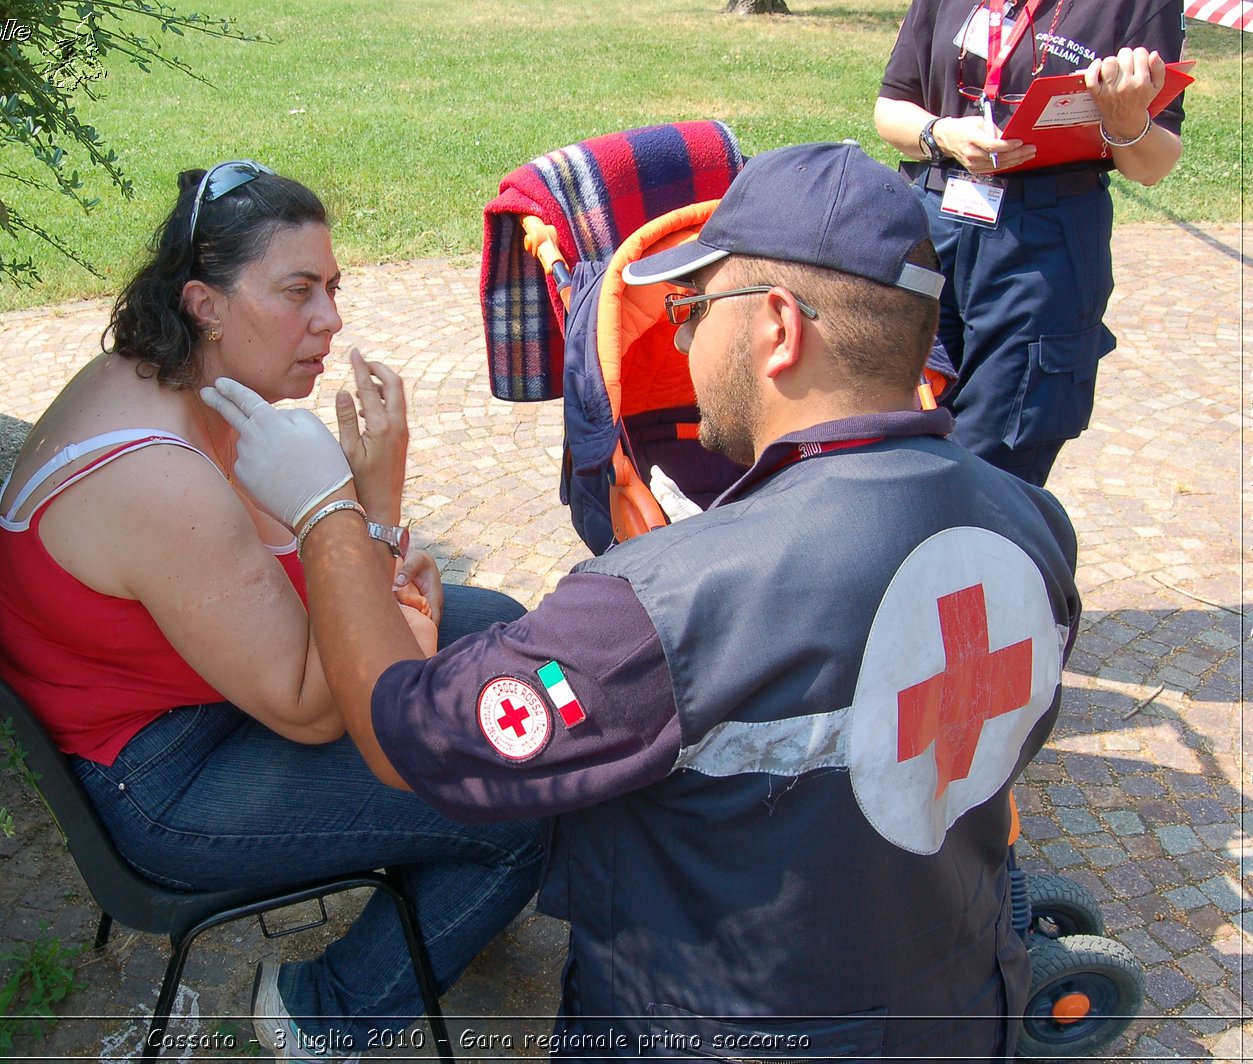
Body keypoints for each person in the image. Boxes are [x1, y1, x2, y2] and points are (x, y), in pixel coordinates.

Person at [205, 142, 1082, 1060]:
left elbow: (404, 737)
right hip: (962, 1012)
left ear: (777, 327)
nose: (677, 337)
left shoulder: (658, 604)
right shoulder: (1031, 523)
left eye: (694, 308)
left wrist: (327, 514)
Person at [0, 160, 544, 1061]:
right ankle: (323, 1011)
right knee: (522, 802)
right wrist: (375, 506)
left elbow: (300, 595)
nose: (330, 320)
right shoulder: (157, 478)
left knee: (504, 625)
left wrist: (382, 573)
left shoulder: (183, 381)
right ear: (205, 303)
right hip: (164, 778)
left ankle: (450, 884)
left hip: (199, 690)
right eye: (298, 291)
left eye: (332, 287)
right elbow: (323, 709)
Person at [874, 0, 1186, 485]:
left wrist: (1128, 123)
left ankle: (982, 550)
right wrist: (942, 133)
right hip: (932, 225)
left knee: (998, 451)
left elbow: (1153, 165)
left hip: (1042, 242)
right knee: (896, 420)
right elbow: (891, 109)